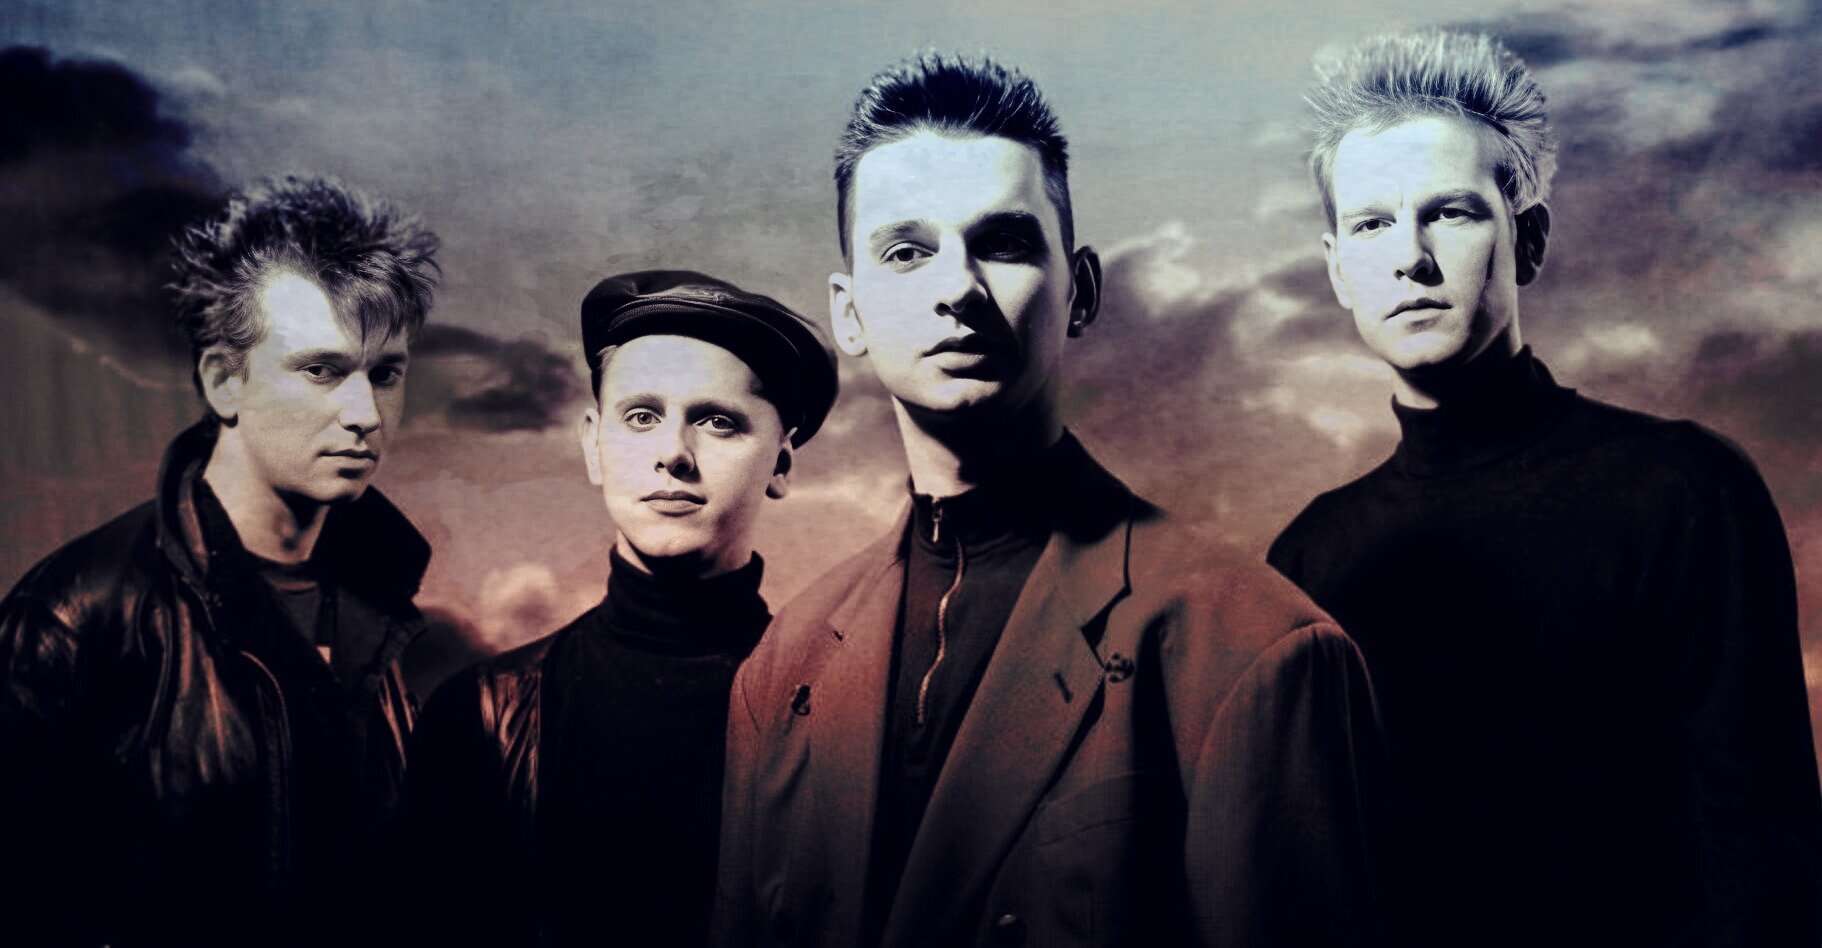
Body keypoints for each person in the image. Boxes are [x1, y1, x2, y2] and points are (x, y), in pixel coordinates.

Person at [713, 53, 1385, 948]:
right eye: (907, 251)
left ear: (1082, 289)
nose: (957, 288)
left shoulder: (1255, 649)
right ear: (850, 314)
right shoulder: (782, 666)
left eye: (1003, 243)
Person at [1267, 29, 1822, 946]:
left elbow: (1764, 852)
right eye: (1370, 224)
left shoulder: (1685, 490)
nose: (1410, 257)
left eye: (1449, 212)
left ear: (1527, 238)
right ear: (1336, 269)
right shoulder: (1306, 561)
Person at [0, 175, 441, 946]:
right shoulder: (77, 616)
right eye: (322, 370)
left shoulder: (390, 605)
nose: (365, 413)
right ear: (222, 380)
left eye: (386, 373)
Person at [402, 271, 838, 947]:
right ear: (593, 444)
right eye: (641, 416)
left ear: (781, 463)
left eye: (718, 422)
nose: (672, 454)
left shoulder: (845, 721)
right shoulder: (478, 716)